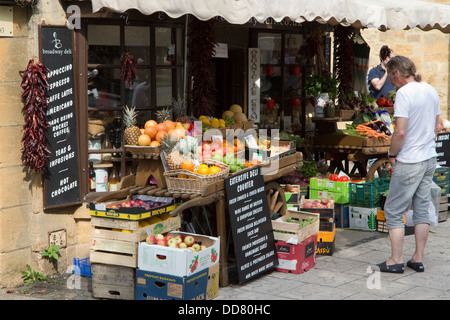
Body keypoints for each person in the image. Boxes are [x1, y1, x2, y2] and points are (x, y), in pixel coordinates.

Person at [372, 56, 441, 274]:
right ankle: (417, 259)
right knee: (422, 209)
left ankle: (395, 260)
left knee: (393, 210)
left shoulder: (404, 94)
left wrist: (392, 153)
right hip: (429, 157)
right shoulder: (430, 89)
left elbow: (400, 132)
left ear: (397, 74)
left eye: (392, 77)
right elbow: (438, 125)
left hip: (410, 159)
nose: (392, 83)